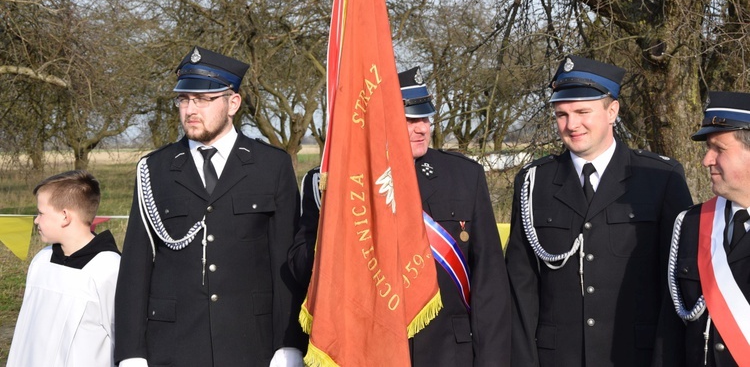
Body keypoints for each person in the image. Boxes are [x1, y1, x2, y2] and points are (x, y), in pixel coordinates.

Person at [288, 66, 511, 366]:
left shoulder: (463, 176)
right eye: (409, 120)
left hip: (450, 354)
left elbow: (490, 284)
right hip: (366, 352)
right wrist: (338, 217)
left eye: (426, 117)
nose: (422, 128)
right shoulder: (329, 183)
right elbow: (300, 269)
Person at [115, 46, 304, 367]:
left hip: (250, 342)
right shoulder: (155, 169)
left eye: (203, 99)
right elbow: (135, 267)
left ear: (233, 103)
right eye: (184, 99)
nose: (190, 109)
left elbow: (284, 264)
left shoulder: (271, 166)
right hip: (173, 345)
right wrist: (131, 353)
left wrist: (289, 344)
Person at [504, 55, 693, 367]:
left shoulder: (661, 178)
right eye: (562, 114)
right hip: (557, 358)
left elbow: (676, 285)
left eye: (582, 112)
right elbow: (520, 287)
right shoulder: (533, 181)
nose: (571, 125)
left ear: (612, 111)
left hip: (634, 356)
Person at [667, 91, 750, 366]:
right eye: (707, 149)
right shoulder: (691, 224)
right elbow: (669, 332)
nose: (706, 160)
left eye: (719, 149)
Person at [7, 170, 120, 367]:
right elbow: (24, 336)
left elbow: (125, 340)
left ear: (65, 216)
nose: (36, 220)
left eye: (41, 213)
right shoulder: (41, 261)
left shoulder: (109, 269)